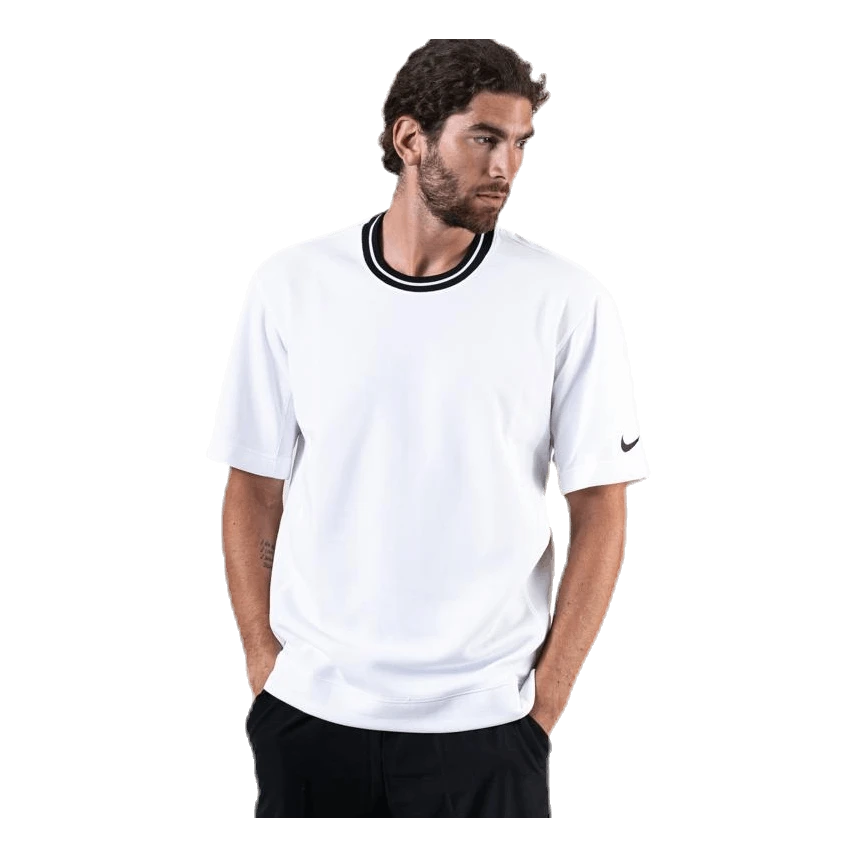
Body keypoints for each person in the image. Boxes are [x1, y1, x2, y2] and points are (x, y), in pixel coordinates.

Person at [210, 36, 647, 824]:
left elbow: (600, 508)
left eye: (519, 143)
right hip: (310, 715)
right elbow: (251, 484)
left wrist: (543, 705)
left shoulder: (564, 296)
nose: (506, 166)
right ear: (410, 138)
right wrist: (263, 664)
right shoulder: (291, 282)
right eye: (483, 137)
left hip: (487, 724)